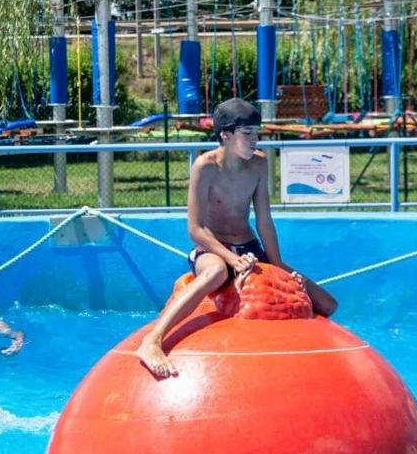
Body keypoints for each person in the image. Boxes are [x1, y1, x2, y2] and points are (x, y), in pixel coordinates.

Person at [137, 97, 337, 378]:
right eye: (247, 134)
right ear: (226, 135)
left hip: (250, 247)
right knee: (217, 272)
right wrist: (232, 259)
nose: (255, 140)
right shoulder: (205, 167)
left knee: (327, 304)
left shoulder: (259, 164)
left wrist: (278, 265)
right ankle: (153, 340)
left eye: (257, 133)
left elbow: (264, 220)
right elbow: (195, 229)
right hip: (214, 249)